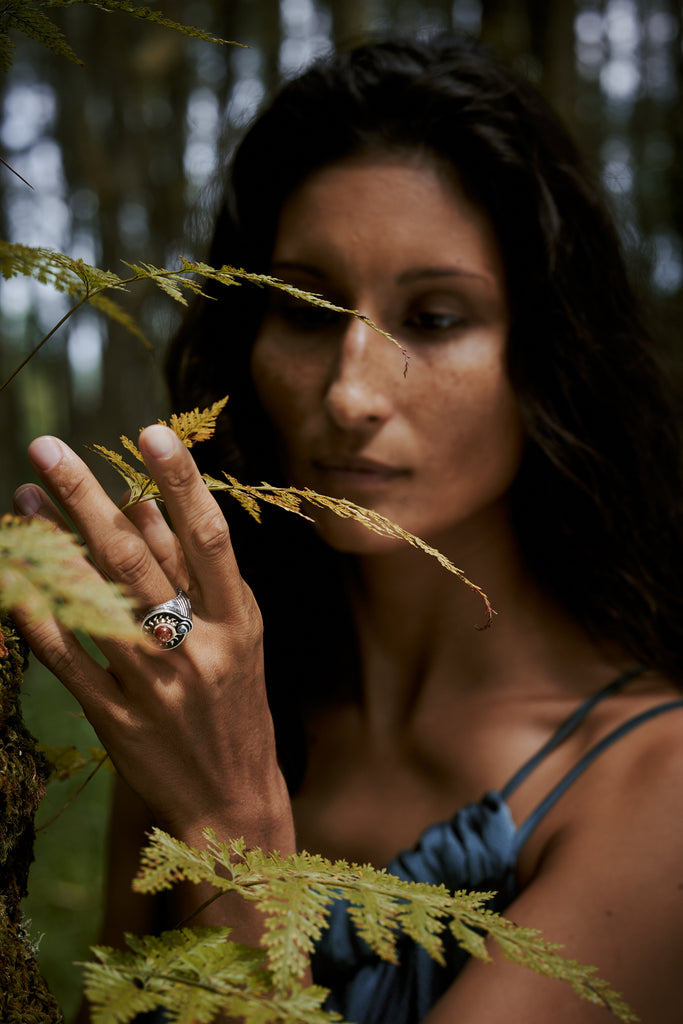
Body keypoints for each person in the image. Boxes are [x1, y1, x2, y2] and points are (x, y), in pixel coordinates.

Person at [12, 33, 683, 1024]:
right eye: (308, 309)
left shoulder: (655, 787)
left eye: (435, 316)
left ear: (543, 354)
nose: (351, 389)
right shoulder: (215, 704)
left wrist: (232, 827)